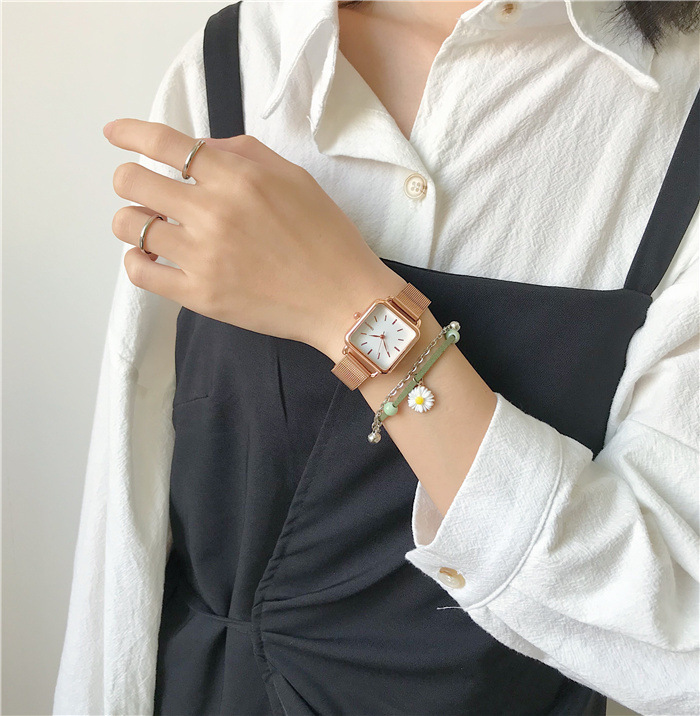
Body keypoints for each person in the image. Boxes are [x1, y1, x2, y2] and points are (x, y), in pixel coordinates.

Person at [54, 1, 700, 714]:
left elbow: (677, 640)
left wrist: (347, 308)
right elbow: (132, 482)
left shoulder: (677, 110)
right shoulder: (241, 59)